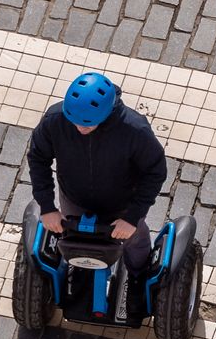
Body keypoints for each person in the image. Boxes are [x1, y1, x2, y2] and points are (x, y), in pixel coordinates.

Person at [27, 71, 171, 277]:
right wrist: (48, 207)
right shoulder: (55, 120)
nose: (79, 128)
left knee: (135, 240)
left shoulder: (134, 130)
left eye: (87, 124)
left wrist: (132, 218)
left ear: (105, 114)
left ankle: (139, 277)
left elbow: (155, 171)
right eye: (74, 121)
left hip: (121, 205)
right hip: (74, 199)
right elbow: (38, 158)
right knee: (73, 242)